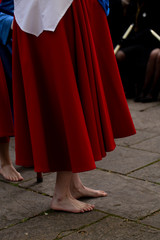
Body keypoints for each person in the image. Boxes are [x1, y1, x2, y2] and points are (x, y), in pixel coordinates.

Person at [13, 0, 136, 213]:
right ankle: (61, 195)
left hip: (50, 10)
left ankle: (73, 184)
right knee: (69, 91)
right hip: (55, 11)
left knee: (72, 88)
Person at [115, 0, 160, 99]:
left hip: (149, 43)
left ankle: (150, 92)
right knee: (119, 55)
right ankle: (128, 89)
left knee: (155, 55)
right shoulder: (134, 6)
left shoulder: (152, 8)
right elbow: (129, 25)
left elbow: (149, 31)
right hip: (137, 43)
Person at [0, 0, 23, 181]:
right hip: (6, 33)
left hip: (24, 30)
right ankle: (4, 161)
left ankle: (32, 151)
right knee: (4, 100)